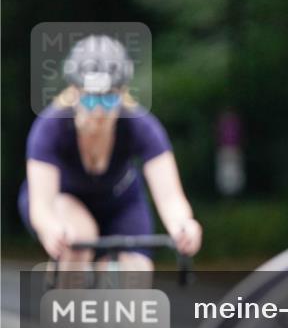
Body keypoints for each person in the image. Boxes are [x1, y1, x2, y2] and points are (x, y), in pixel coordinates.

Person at [20, 34, 203, 273]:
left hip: (120, 203)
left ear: (122, 94)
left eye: (108, 100)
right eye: (89, 99)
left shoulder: (140, 125)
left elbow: (170, 197)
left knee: (135, 272)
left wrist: (183, 225)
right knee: (79, 238)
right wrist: (50, 227)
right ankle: (67, 293)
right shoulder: (50, 127)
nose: (98, 111)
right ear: (74, 93)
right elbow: (42, 205)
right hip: (63, 200)